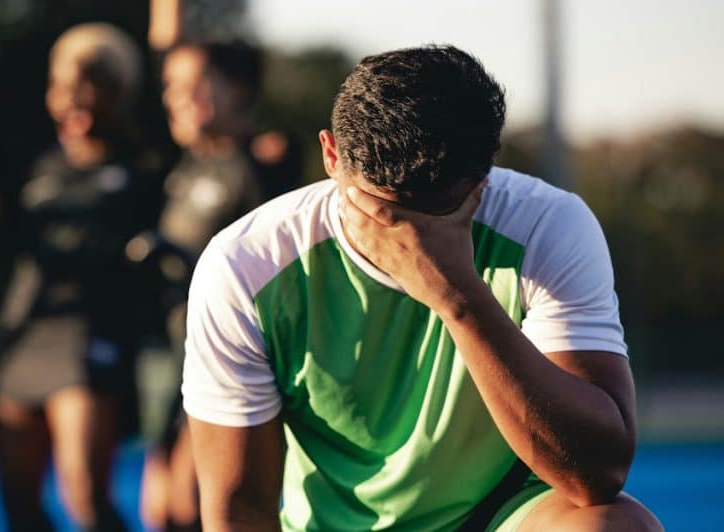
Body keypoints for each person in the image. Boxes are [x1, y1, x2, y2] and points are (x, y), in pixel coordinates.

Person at [181, 45, 663, 531]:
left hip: (499, 518)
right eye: (380, 209)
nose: (405, 240)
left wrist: (458, 297)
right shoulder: (246, 264)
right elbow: (239, 506)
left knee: (615, 526)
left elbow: (597, 476)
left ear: (481, 179)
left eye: (433, 217)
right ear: (331, 155)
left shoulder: (545, 226)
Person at [0, 23, 158, 532]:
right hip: (26, 336)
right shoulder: (36, 167)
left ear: (117, 94)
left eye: (92, 87)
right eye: (64, 90)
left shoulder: (144, 163)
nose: (75, 103)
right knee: (17, 500)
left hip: (92, 338)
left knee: (85, 496)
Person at [137, 39, 305, 532]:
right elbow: (162, 50)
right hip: (179, 352)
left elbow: (277, 266)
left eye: (193, 87)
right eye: (171, 87)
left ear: (236, 90)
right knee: (161, 508)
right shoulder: (184, 165)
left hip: (237, 359)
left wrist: (187, 260)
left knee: (198, 504)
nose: (175, 98)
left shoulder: (264, 161)